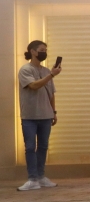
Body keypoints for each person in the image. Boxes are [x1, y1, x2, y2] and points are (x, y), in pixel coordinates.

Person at [17, 40, 60, 191]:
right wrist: (51, 75)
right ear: (33, 51)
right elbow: (34, 86)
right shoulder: (25, 70)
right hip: (29, 116)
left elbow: (51, 94)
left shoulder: (46, 70)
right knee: (30, 147)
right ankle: (32, 179)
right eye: (42, 49)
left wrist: (53, 112)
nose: (44, 52)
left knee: (43, 147)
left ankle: (41, 177)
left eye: (45, 50)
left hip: (46, 116)